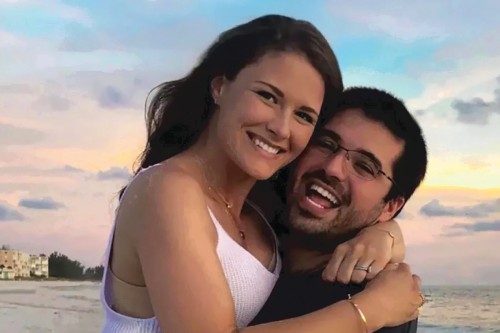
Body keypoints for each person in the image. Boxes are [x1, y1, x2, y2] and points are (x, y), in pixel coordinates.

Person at [100, 14, 423, 333]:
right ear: (220, 86)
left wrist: (385, 234)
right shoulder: (167, 188)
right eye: (267, 96)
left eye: (303, 115)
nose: (280, 128)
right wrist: (370, 311)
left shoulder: (261, 210)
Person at [250, 87, 428, 332]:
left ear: (390, 207)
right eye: (326, 143)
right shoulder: (244, 217)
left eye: (365, 167)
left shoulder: (383, 306)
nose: (332, 168)